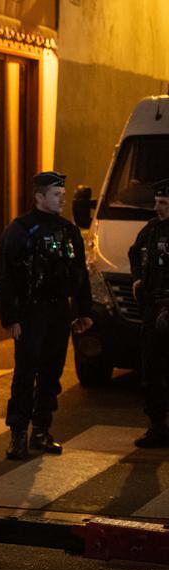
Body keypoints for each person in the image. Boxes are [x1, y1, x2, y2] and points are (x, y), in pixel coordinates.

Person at [0, 171, 92, 460]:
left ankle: (41, 431)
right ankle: (18, 434)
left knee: (52, 371)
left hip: (58, 311)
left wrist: (83, 311)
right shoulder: (20, 230)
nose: (62, 198)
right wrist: (10, 318)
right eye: (55, 194)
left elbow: (80, 274)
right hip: (30, 311)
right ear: (39, 197)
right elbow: (5, 277)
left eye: (63, 194)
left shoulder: (69, 231)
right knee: (26, 372)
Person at [128, 179, 169, 448]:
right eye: (156, 202)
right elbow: (135, 253)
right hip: (152, 308)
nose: (158, 207)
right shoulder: (152, 229)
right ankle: (156, 426)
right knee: (152, 369)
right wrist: (138, 279)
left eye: (164, 203)